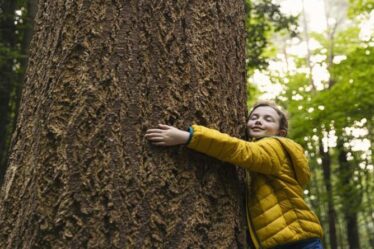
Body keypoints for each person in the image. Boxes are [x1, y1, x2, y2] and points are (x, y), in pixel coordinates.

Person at [145, 100, 324, 249]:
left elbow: (240, 150)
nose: (259, 121)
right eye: (254, 117)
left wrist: (188, 137)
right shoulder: (269, 155)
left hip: (295, 242)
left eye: (268, 119)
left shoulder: (275, 146)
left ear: (280, 132)